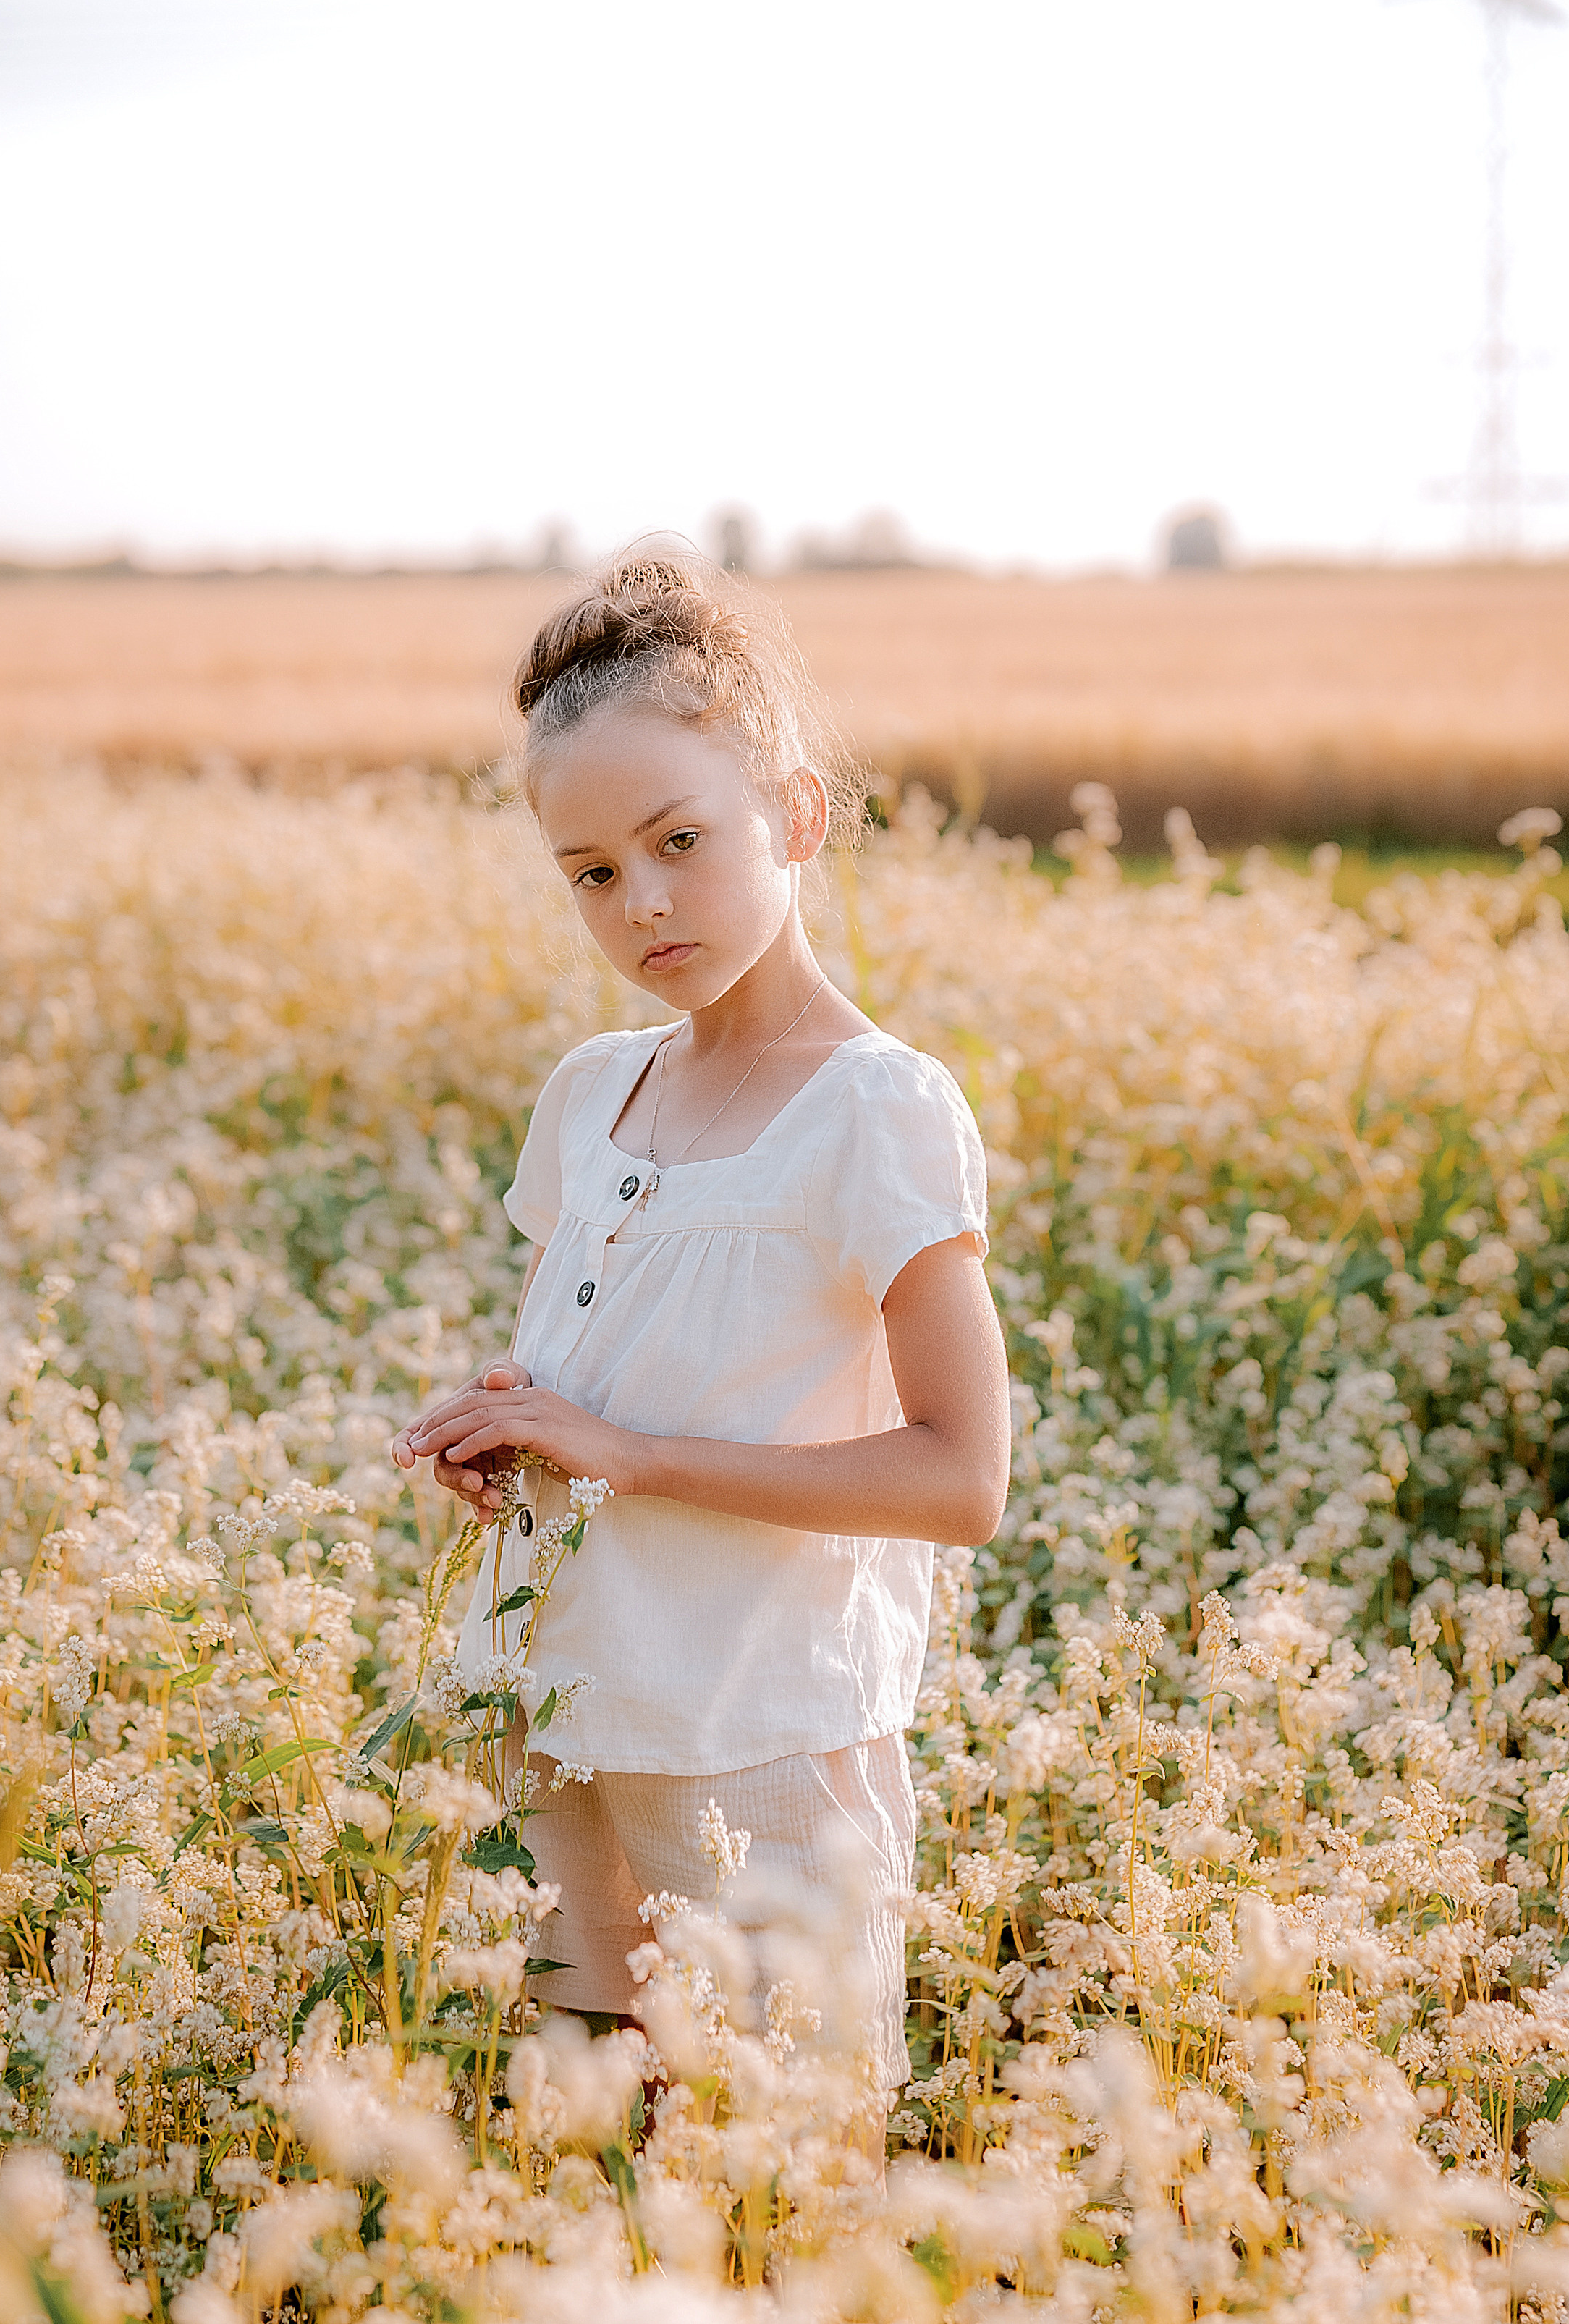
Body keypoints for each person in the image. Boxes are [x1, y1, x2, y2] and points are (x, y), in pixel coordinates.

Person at [392, 551, 1010, 2106]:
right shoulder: (591, 1092)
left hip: (753, 1731)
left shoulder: (876, 1106)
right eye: (591, 870)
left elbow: (961, 1479)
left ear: (795, 820)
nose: (642, 901)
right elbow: (608, 1369)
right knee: (579, 2145)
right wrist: (513, 1428)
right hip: (559, 1707)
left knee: (769, 2172)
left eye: (680, 840)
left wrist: (629, 1452)